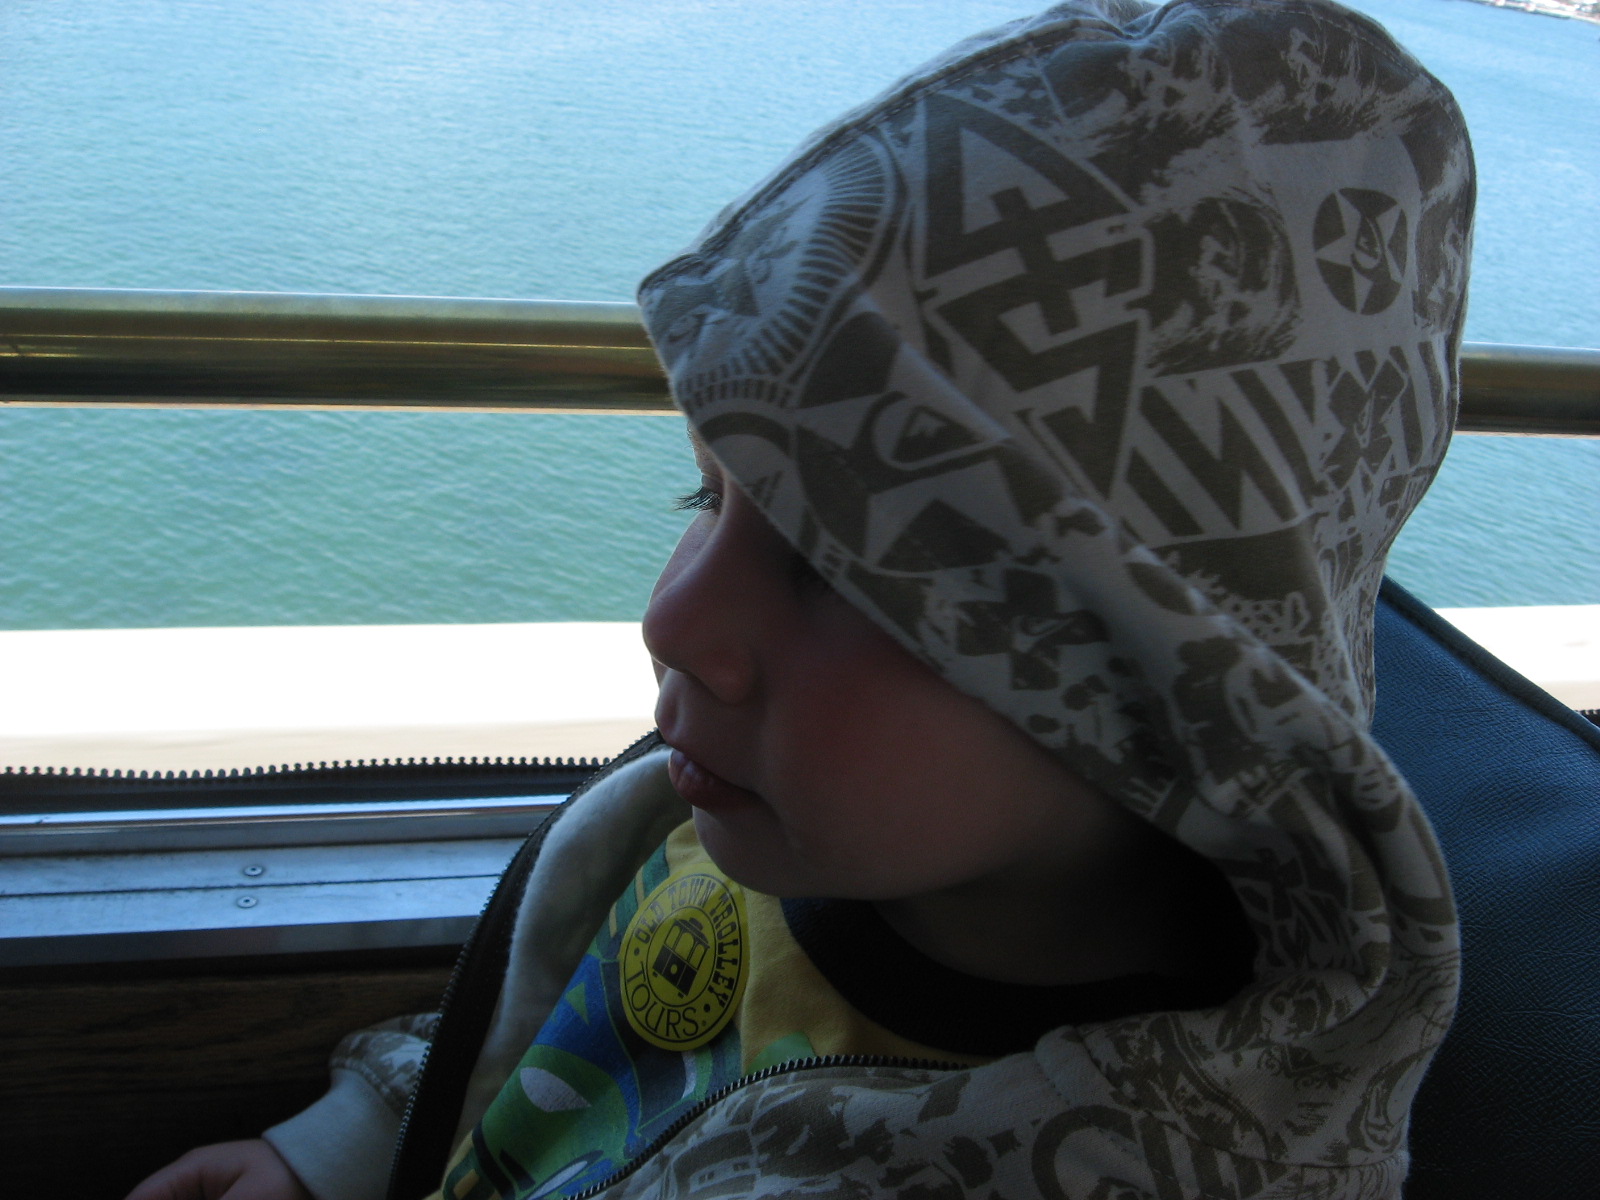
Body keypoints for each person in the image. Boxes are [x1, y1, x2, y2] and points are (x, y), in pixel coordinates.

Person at [128, 0, 1474, 1196]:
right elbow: (575, 1047)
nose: (673, 621)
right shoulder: (757, 832)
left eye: (845, 572)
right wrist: (353, 1145)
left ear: (1155, 690)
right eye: (705, 495)